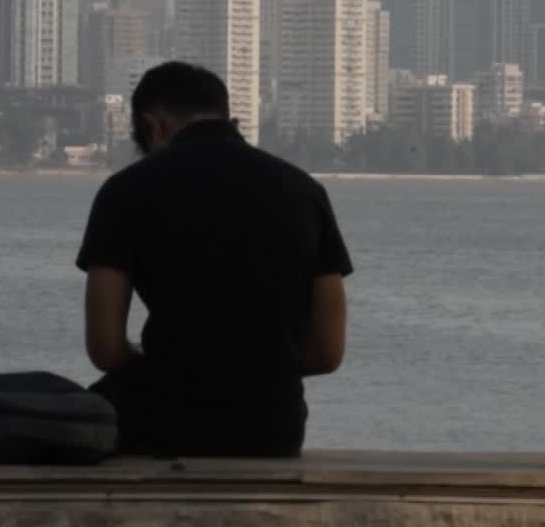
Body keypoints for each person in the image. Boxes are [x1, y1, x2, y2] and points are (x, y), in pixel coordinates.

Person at [76, 62, 352, 457]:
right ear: (230, 119)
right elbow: (327, 351)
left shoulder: (124, 192)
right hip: (275, 430)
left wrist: (171, 368)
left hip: (164, 424)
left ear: (154, 126)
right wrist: (259, 371)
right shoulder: (305, 192)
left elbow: (105, 348)